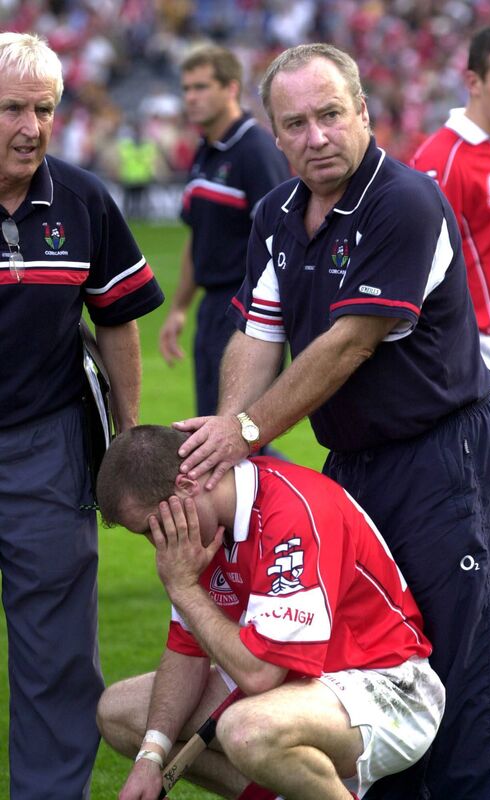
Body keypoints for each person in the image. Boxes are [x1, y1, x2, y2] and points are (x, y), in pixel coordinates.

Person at [172, 43, 490, 799]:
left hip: (443, 454)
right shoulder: (276, 213)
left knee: (469, 648)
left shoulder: (404, 200)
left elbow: (349, 344)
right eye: (296, 124)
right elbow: (257, 333)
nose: (317, 137)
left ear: (364, 112)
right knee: (373, 647)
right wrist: (227, 438)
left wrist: (244, 433)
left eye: (331, 115)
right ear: (275, 134)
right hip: (354, 464)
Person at [94, 424, 445, 800]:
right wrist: (150, 757)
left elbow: (260, 674)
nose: (157, 544)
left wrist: (183, 588)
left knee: (246, 730)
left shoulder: (290, 509)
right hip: (299, 687)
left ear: (187, 486)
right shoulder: (200, 532)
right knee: (118, 712)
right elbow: (187, 651)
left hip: (389, 687)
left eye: (151, 528)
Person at [0, 32, 164, 799]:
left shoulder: (84, 199)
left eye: (43, 109)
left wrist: (127, 440)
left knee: (57, 651)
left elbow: (118, 320)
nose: (29, 127)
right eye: (11, 109)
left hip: (48, 449)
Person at [411, 24, 490, 536]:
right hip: (478, 349)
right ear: (474, 81)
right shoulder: (444, 157)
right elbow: (414, 264)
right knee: (478, 517)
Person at [158, 44, 290, 418]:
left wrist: (264, 317)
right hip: (212, 308)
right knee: (216, 427)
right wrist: (180, 308)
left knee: (233, 432)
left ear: (231, 88)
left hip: (245, 310)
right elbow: (197, 235)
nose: (190, 97)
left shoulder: (256, 151)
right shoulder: (205, 149)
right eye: (186, 88)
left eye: (201, 87)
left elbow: (281, 239)